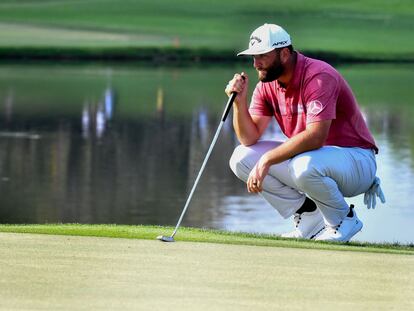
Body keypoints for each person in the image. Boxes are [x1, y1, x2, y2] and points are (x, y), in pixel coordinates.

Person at [225, 23, 385, 242]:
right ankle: (309, 215)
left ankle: (343, 219)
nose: (256, 63)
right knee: (241, 158)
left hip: (357, 160)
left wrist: (266, 161)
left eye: (262, 55)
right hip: (314, 160)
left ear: (284, 53)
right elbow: (249, 138)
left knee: (302, 165)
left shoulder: (318, 76)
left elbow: (316, 136)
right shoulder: (267, 84)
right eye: (253, 57)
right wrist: (239, 103)